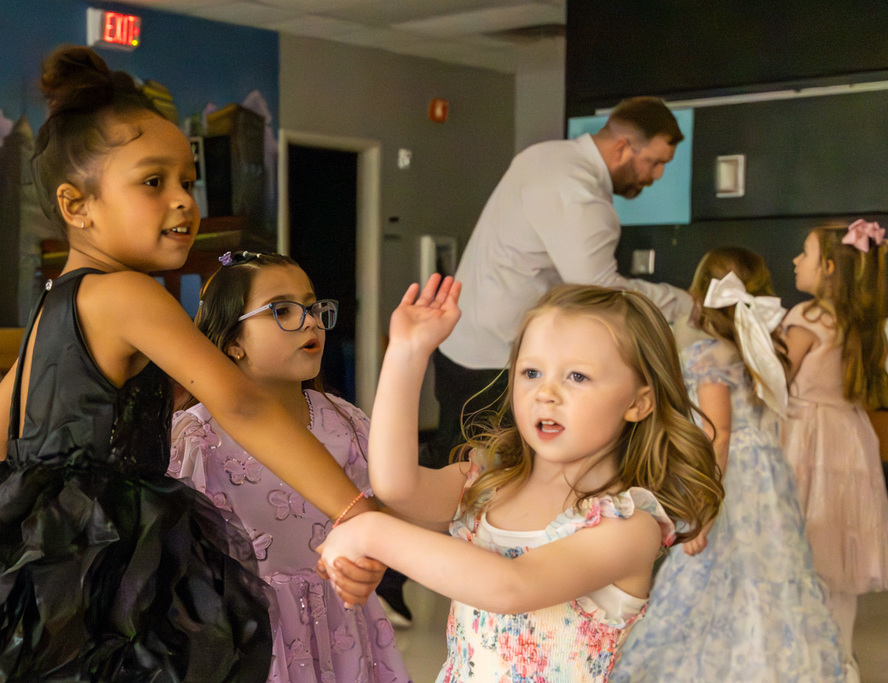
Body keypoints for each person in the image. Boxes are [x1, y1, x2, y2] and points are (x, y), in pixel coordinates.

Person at [0, 46, 378, 683]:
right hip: (109, 555)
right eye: (153, 182)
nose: (182, 201)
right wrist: (352, 508)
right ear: (76, 205)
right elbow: (243, 402)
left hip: (43, 565)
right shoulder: (128, 292)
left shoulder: (55, 301)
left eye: (187, 181)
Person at [321, 277, 724, 682]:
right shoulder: (486, 484)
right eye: (531, 371)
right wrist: (407, 354)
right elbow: (398, 487)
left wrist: (373, 532)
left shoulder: (628, 527)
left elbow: (511, 588)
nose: (545, 393)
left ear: (638, 402)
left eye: (577, 377)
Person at [168, 251, 411, 682]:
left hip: (339, 626)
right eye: (282, 310)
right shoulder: (196, 434)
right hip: (245, 630)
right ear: (232, 341)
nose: (311, 322)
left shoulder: (346, 422)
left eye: (314, 308)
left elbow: (386, 505)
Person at [612, 248, 843, 681]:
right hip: (768, 479)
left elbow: (718, 436)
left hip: (730, 479)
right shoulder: (756, 347)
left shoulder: (710, 355)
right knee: (765, 572)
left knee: (709, 572)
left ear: (701, 295)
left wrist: (703, 512)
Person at [431, 96, 693, 471]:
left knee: (454, 464)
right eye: (654, 162)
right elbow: (601, 289)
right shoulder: (578, 189)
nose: (656, 176)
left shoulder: (543, 156)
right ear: (622, 147)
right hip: (497, 363)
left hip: (458, 343)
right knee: (491, 479)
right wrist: (683, 303)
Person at [781, 220, 888, 681]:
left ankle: (794, 658)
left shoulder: (807, 318)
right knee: (837, 553)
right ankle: (838, 660)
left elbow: (774, 378)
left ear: (827, 267)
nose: (794, 261)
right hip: (850, 438)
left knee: (798, 541)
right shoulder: (865, 324)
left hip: (805, 437)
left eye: (803, 254)